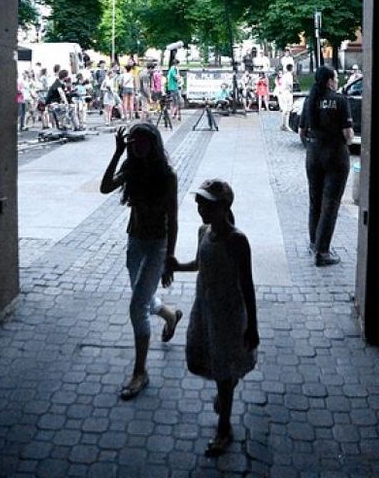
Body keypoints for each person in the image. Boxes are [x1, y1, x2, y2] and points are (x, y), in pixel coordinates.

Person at [169, 179, 259, 457]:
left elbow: (247, 284)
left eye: (208, 205)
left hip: (229, 314)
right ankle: (225, 392)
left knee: (224, 365)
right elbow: (200, 264)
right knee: (217, 360)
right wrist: (178, 266)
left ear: (224, 207)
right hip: (206, 308)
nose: (202, 210)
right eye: (200, 204)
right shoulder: (204, 232)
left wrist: (252, 326)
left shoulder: (237, 240)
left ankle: (224, 427)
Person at [100, 123, 182, 400]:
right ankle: (170, 315)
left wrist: (170, 258)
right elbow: (104, 187)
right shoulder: (131, 168)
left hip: (158, 244)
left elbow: (173, 219)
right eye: (134, 142)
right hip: (134, 241)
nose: (138, 146)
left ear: (154, 144)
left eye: (144, 142)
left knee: (137, 306)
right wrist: (117, 153)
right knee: (141, 295)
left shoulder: (167, 176)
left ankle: (140, 372)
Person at [298, 65, 354, 267]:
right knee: (330, 203)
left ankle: (314, 242)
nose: (337, 81)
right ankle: (322, 252)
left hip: (313, 154)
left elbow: (301, 131)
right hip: (335, 155)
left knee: (315, 201)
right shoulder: (340, 100)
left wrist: (313, 145)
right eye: (336, 78)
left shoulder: (310, 100)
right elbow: (348, 134)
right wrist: (346, 142)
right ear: (330, 80)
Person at [279, 63, 294, 130]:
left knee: (284, 109)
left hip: (283, 93)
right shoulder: (289, 76)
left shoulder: (284, 75)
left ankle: (283, 124)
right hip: (287, 93)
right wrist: (291, 90)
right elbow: (290, 84)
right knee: (287, 110)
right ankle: (286, 124)